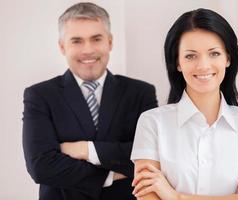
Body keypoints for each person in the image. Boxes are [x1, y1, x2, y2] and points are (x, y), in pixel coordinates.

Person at [130, 8, 238, 200]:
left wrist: (175, 197)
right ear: (178, 63)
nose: (203, 65)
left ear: (228, 58)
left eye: (214, 53)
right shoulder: (152, 123)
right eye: (190, 56)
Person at [22, 2, 157, 200]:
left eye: (96, 39)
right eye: (77, 41)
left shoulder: (140, 93)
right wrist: (109, 175)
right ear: (62, 46)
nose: (88, 50)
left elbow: (151, 158)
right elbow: (41, 166)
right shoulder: (40, 96)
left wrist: (86, 149)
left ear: (110, 42)